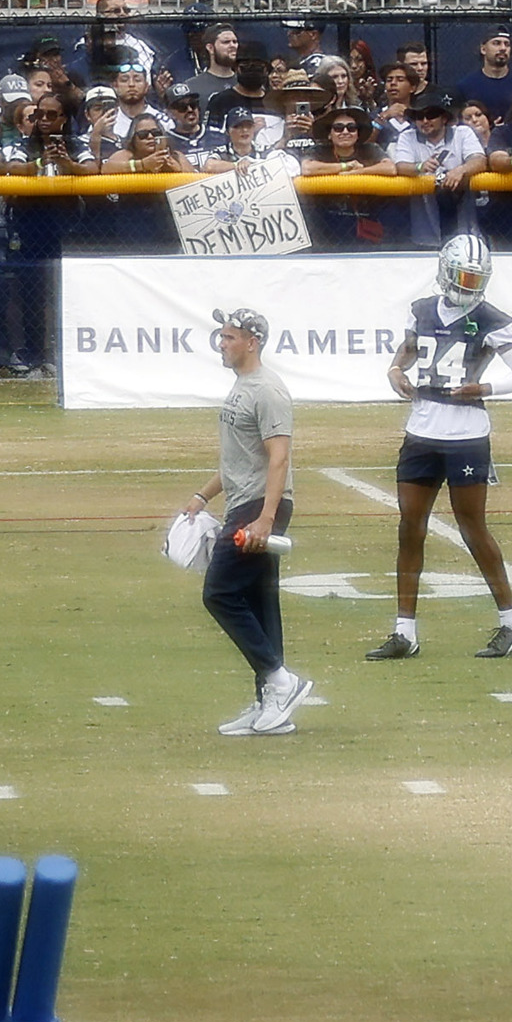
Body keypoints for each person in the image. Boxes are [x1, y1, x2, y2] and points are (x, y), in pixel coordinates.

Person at [370, 234, 512, 660]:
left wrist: (484, 386)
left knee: (472, 528)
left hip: (465, 434)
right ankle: (404, 631)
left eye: (475, 278)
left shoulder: (490, 318)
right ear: (445, 270)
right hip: (422, 429)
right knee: (410, 527)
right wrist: (394, 369)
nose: (468, 285)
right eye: (463, 275)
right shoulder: (423, 309)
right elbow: (408, 351)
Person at [193, 304, 308, 737]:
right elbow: (239, 459)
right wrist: (203, 495)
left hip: (259, 508)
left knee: (219, 592)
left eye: (229, 337)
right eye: (222, 337)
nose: (222, 344)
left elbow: (279, 459)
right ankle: (270, 704)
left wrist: (266, 518)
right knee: (260, 602)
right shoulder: (243, 387)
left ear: (251, 342)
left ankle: (280, 681)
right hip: (245, 503)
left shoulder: (267, 390)